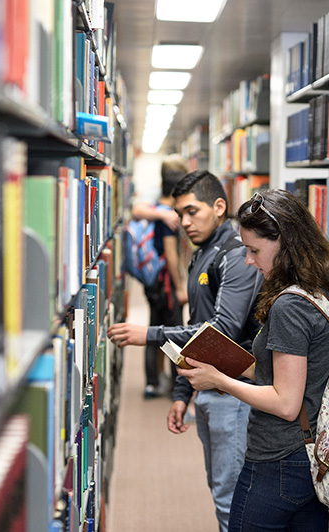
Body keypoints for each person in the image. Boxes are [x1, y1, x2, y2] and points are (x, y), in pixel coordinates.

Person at [175, 189, 329, 532]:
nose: (248, 260)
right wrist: (226, 364)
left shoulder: (290, 306)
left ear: (285, 244)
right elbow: (294, 370)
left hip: (278, 459)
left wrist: (219, 382)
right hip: (313, 453)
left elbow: (286, 402)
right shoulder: (325, 289)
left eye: (254, 250)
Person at [108, 170, 262, 532]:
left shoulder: (237, 254)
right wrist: (182, 392)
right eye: (180, 214)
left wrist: (151, 334)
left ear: (219, 206)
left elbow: (222, 328)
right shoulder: (203, 253)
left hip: (234, 394)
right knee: (220, 491)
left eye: (193, 211)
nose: (185, 222)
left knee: (231, 498)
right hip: (210, 389)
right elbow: (200, 327)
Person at [130, 154, 190, 398]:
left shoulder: (157, 206)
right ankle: (177, 384)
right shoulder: (170, 215)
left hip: (152, 282)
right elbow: (171, 255)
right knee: (173, 332)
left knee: (154, 328)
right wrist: (179, 286)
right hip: (165, 283)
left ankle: (152, 382)